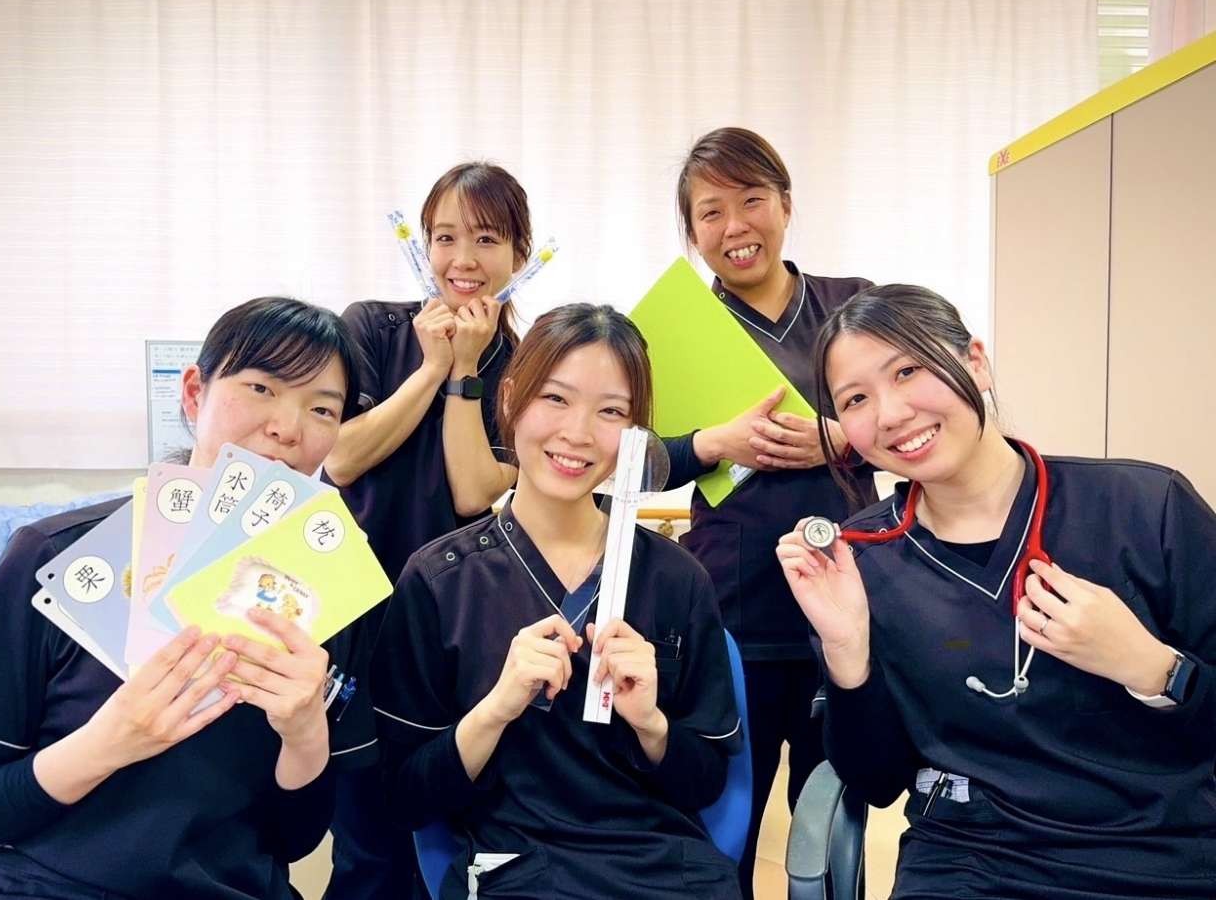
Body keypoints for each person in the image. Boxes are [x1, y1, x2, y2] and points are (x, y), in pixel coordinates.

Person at [0, 296, 376, 900]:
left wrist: (305, 733)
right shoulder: (57, 556)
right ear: (195, 393)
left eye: (322, 408)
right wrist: (111, 742)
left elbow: (291, 841)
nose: (289, 427)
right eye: (261, 387)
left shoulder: (329, 592)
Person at [776, 283, 1216, 900]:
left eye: (908, 370)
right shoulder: (857, 562)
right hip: (970, 864)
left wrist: (1151, 667)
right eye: (856, 399)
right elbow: (876, 781)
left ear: (976, 362)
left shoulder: (1146, 508)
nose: (891, 414)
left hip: (1156, 858)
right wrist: (848, 651)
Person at [374, 303, 743, 899]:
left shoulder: (676, 578)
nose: (578, 433)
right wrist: (495, 710)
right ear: (510, 399)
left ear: (635, 433)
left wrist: (651, 724)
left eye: (611, 411)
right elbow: (404, 796)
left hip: (663, 871)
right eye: (555, 398)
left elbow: (707, 784)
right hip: (516, 869)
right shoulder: (440, 581)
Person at [660, 126, 874, 894]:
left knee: (833, 819)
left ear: (784, 203)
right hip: (731, 608)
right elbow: (631, 458)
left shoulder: (853, 307)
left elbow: (915, 424)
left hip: (842, 602)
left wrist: (838, 438)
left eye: (751, 200)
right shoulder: (676, 332)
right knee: (726, 821)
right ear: (693, 233)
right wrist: (708, 444)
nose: (735, 227)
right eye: (710, 212)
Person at [321, 162, 530, 900]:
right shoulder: (371, 327)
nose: (463, 259)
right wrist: (432, 367)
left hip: (460, 616)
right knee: (367, 842)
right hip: (358, 607)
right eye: (445, 238)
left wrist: (465, 370)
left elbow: (475, 489)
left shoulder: (527, 363)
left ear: (521, 254)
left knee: (450, 824)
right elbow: (341, 457)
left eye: (487, 239)